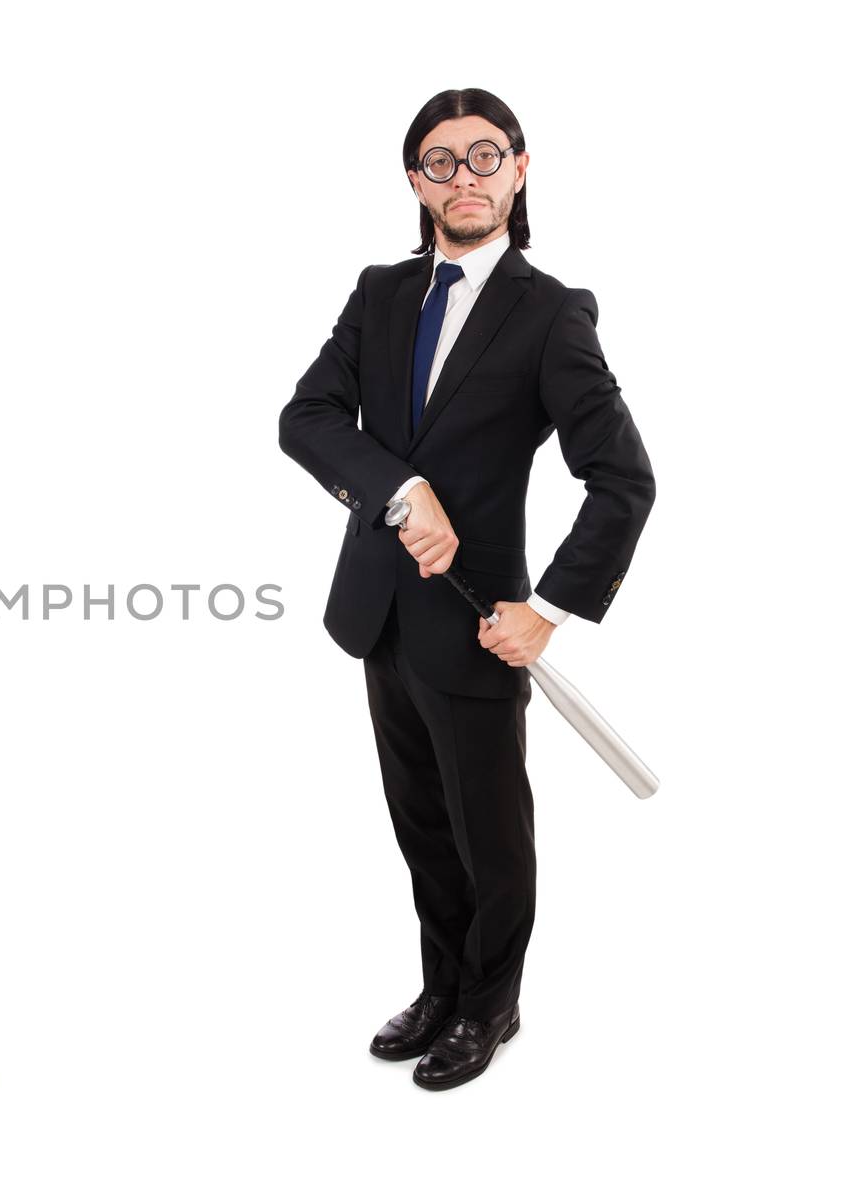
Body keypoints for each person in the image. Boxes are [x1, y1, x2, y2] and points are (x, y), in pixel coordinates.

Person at [278, 90, 654, 1090]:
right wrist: (401, 490)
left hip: (482, 620)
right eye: (440, 161)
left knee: (490, 832)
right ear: (416, 182)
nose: (465, 176)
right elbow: (306, 418)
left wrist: (550, 609)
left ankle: (492, 1002)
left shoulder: (551, 314)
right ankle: (441, 983)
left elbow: (623, 480)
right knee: (420, 821)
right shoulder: (379, 293)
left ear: (519, 170)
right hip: (379, 611)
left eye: (484, 156)